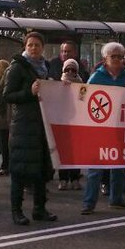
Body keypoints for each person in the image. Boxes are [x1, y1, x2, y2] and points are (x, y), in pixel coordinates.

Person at [4, 31, 56, 225]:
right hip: (24, 126)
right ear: (25, 47)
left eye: (37, 45)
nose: (34, 48)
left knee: (42, 169)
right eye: (30, 45)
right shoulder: (17, 67)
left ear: (43, 47)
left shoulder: (46, 67)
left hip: (43, 125)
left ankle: (39, 209)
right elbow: (7, 95)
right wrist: (29, 92)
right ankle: (16, 211)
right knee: (20, 170)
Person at [81, 41, 125, 214]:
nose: (117, 59)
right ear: (105, 58)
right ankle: (89, 203)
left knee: (119, 167)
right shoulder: (96, 77)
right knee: (95, 169)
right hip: (100, 129)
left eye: (120, 56)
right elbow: (82, 96)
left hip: (120, 127)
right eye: (113, 56)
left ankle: (116, 198)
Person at [55, 59, 84, 189]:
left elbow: (83, 102)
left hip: (77, 123)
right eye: (67, 69)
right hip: (62, 123)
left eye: (73, 70)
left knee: (76, 153)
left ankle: (75, 178)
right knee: (63, 153)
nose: (70, 72)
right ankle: (63, 179)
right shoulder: (57, 85)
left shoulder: (82, 86)